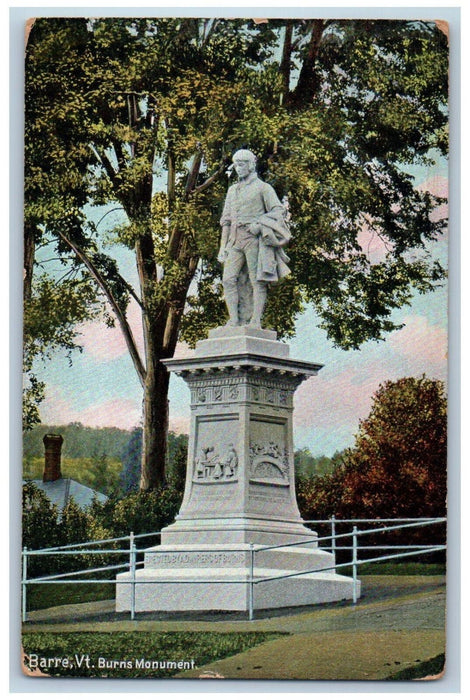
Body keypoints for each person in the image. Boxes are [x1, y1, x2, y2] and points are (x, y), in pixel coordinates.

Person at [218, 149, 291, 328]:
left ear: (251, 165)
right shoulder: (232, 190)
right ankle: (234, 320)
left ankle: (255, 320)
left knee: (256, 280)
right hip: (234, 240)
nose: (238, 168)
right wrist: (222, 247)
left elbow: (278, 211)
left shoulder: (263, 188)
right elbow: (226, 220)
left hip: (254, 239)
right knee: (228, 279)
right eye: (236, 165)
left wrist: (260, 223)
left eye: (242, 164)